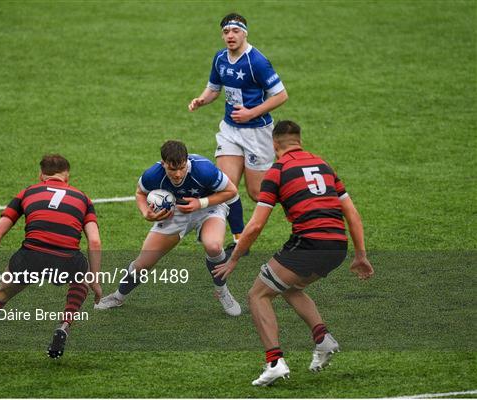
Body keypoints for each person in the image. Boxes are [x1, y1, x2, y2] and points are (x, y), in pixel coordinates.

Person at [213, 121, 374, 386]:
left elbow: (255, 225)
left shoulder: (277, 171)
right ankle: (323, 339)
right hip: (337, 245)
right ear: (299, 140)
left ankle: (274, 362)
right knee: (287, 286)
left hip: (309, 243)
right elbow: (353, 215)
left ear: (274, 145)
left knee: (257, 295)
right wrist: (360, 255)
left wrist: (234, 258)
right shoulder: (325, 166)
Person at [0, 154, 102, 359]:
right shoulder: (83, 198)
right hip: (67, 260)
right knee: (82, 276)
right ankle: (64, 324)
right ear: (67, 176)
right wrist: (95, 280)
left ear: (41, 175)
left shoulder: (27, 193)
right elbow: (94, 242)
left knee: (1, 295)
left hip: (29, 258)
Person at [95, 140, 242, 316]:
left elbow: (231, 191)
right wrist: (145, 212)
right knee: (142, 264)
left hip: (209, 207)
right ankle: (118, 296)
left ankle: (222, 291)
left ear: (187, 160)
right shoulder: (153, 175)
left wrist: (200, 202)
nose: (178, 174)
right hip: (176, 213)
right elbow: (140, 193)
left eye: (181, 168)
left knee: (214, 246)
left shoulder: (204, 169)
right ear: (163, 163)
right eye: (172, 169)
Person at [188, 12, 289, 253]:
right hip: (230, 130)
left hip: (257, 133)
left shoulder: (257, 62)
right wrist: (202, 100)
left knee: (257, 193)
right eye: (226, 32)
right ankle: (239, 239)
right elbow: (213, 88)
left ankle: (298, 206)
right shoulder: (220, 58)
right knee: (225, 187)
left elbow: (281, 95)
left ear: (245, 33)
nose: (230, 36)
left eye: (235, 31)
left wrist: (251, 113)